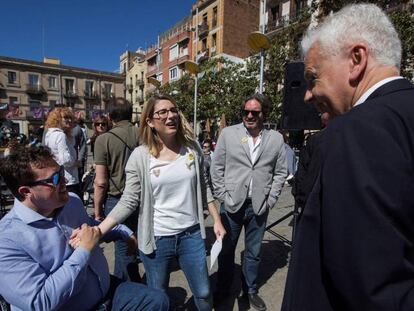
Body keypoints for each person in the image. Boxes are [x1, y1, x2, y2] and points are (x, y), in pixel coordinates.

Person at [282, 4, 414, 310]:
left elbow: (372, 290)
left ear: (356, 60)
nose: (307, 94)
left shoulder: (355, 131)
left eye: (313, 77)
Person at [86, 94, 226, 310]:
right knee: (158, 296)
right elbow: (129, 200)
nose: (170, 116)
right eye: (162, 112)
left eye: (173, 110)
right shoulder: (140, 156)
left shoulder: (193, 148)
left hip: (191, 236)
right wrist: (99, 230)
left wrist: (216, 220)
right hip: (157, 239)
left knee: (204, 292)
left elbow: (204, 188)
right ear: (150, 121)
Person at [0, 145, 169, 311]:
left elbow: (91, 228)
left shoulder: (71, 201)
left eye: (61, 172)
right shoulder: (7, 241)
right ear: (26, 192)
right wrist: (84, 250)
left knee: (157, 300)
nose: (65, 180)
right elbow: (41, 301)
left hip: (106, 292)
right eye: (55, 179)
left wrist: (123, 232)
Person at [211, 93, 287, 310]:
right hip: (232, 204)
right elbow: (216, 167)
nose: (250, 116)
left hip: (259, 206)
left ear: (264, 113)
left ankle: (250, 290)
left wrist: (271, 199)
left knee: (253, 252)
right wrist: (223, 195)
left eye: (255, 112)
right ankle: (224, 289)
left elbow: (280, 172)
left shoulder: (275, 138)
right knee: (227, 251)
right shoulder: (228, 134)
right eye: (246, 112)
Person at [93, 98, 140, 282]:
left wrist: (97, 212)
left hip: (117, 199)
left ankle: (128, 289)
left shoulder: (103, 139)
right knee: (139, 243)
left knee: (123, 247)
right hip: (143, 198)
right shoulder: (144, 135)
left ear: (111, 117)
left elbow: (101, 182)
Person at [44, 108, 82, 198]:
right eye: (65, 117)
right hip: (69, 179)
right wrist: (76, 162)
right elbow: (65, 160)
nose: (69, 120)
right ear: (57, 119)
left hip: (58, 178)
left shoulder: (49, 134)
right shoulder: (60, 135)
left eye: (70, 118)